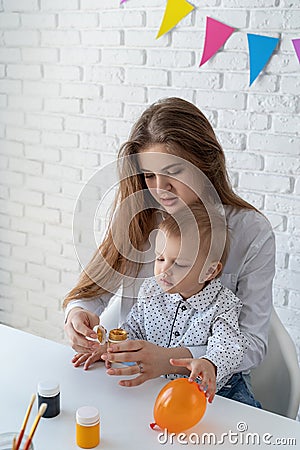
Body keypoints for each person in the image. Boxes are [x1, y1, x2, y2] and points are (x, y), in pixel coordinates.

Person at [64, 97, 275, 393]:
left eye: (173, 173)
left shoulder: (250, 230)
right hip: (135, 382)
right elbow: (91, 294)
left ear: (205, 164)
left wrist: (172, 360)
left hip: (212, 389)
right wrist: (77, 316)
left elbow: (251, 344)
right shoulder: (139, 217)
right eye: (150, 175)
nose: (160, 189)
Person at [114, 204, 260, 407]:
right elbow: (133, 329)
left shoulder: (223, 303)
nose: (164, 269)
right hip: (163, 388)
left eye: (179, 264)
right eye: (160, 258)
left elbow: (229, 347)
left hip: (218, 392)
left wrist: (209, 363)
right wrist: (111, 346)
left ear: (209, 271)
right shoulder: (150, 290)